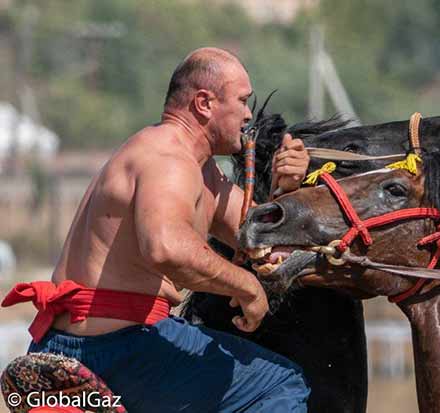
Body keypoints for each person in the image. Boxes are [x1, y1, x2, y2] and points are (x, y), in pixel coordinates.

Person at [2, 47, 311, 412]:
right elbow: (166, 248)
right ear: (204, 103)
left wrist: (289, 187)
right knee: (280, 385)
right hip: (114, 350)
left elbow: (263, 237)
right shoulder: (169, 158)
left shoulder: (201, 171)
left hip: (70, 344)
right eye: (243, 101)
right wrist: (248, 288)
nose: (247, 114)